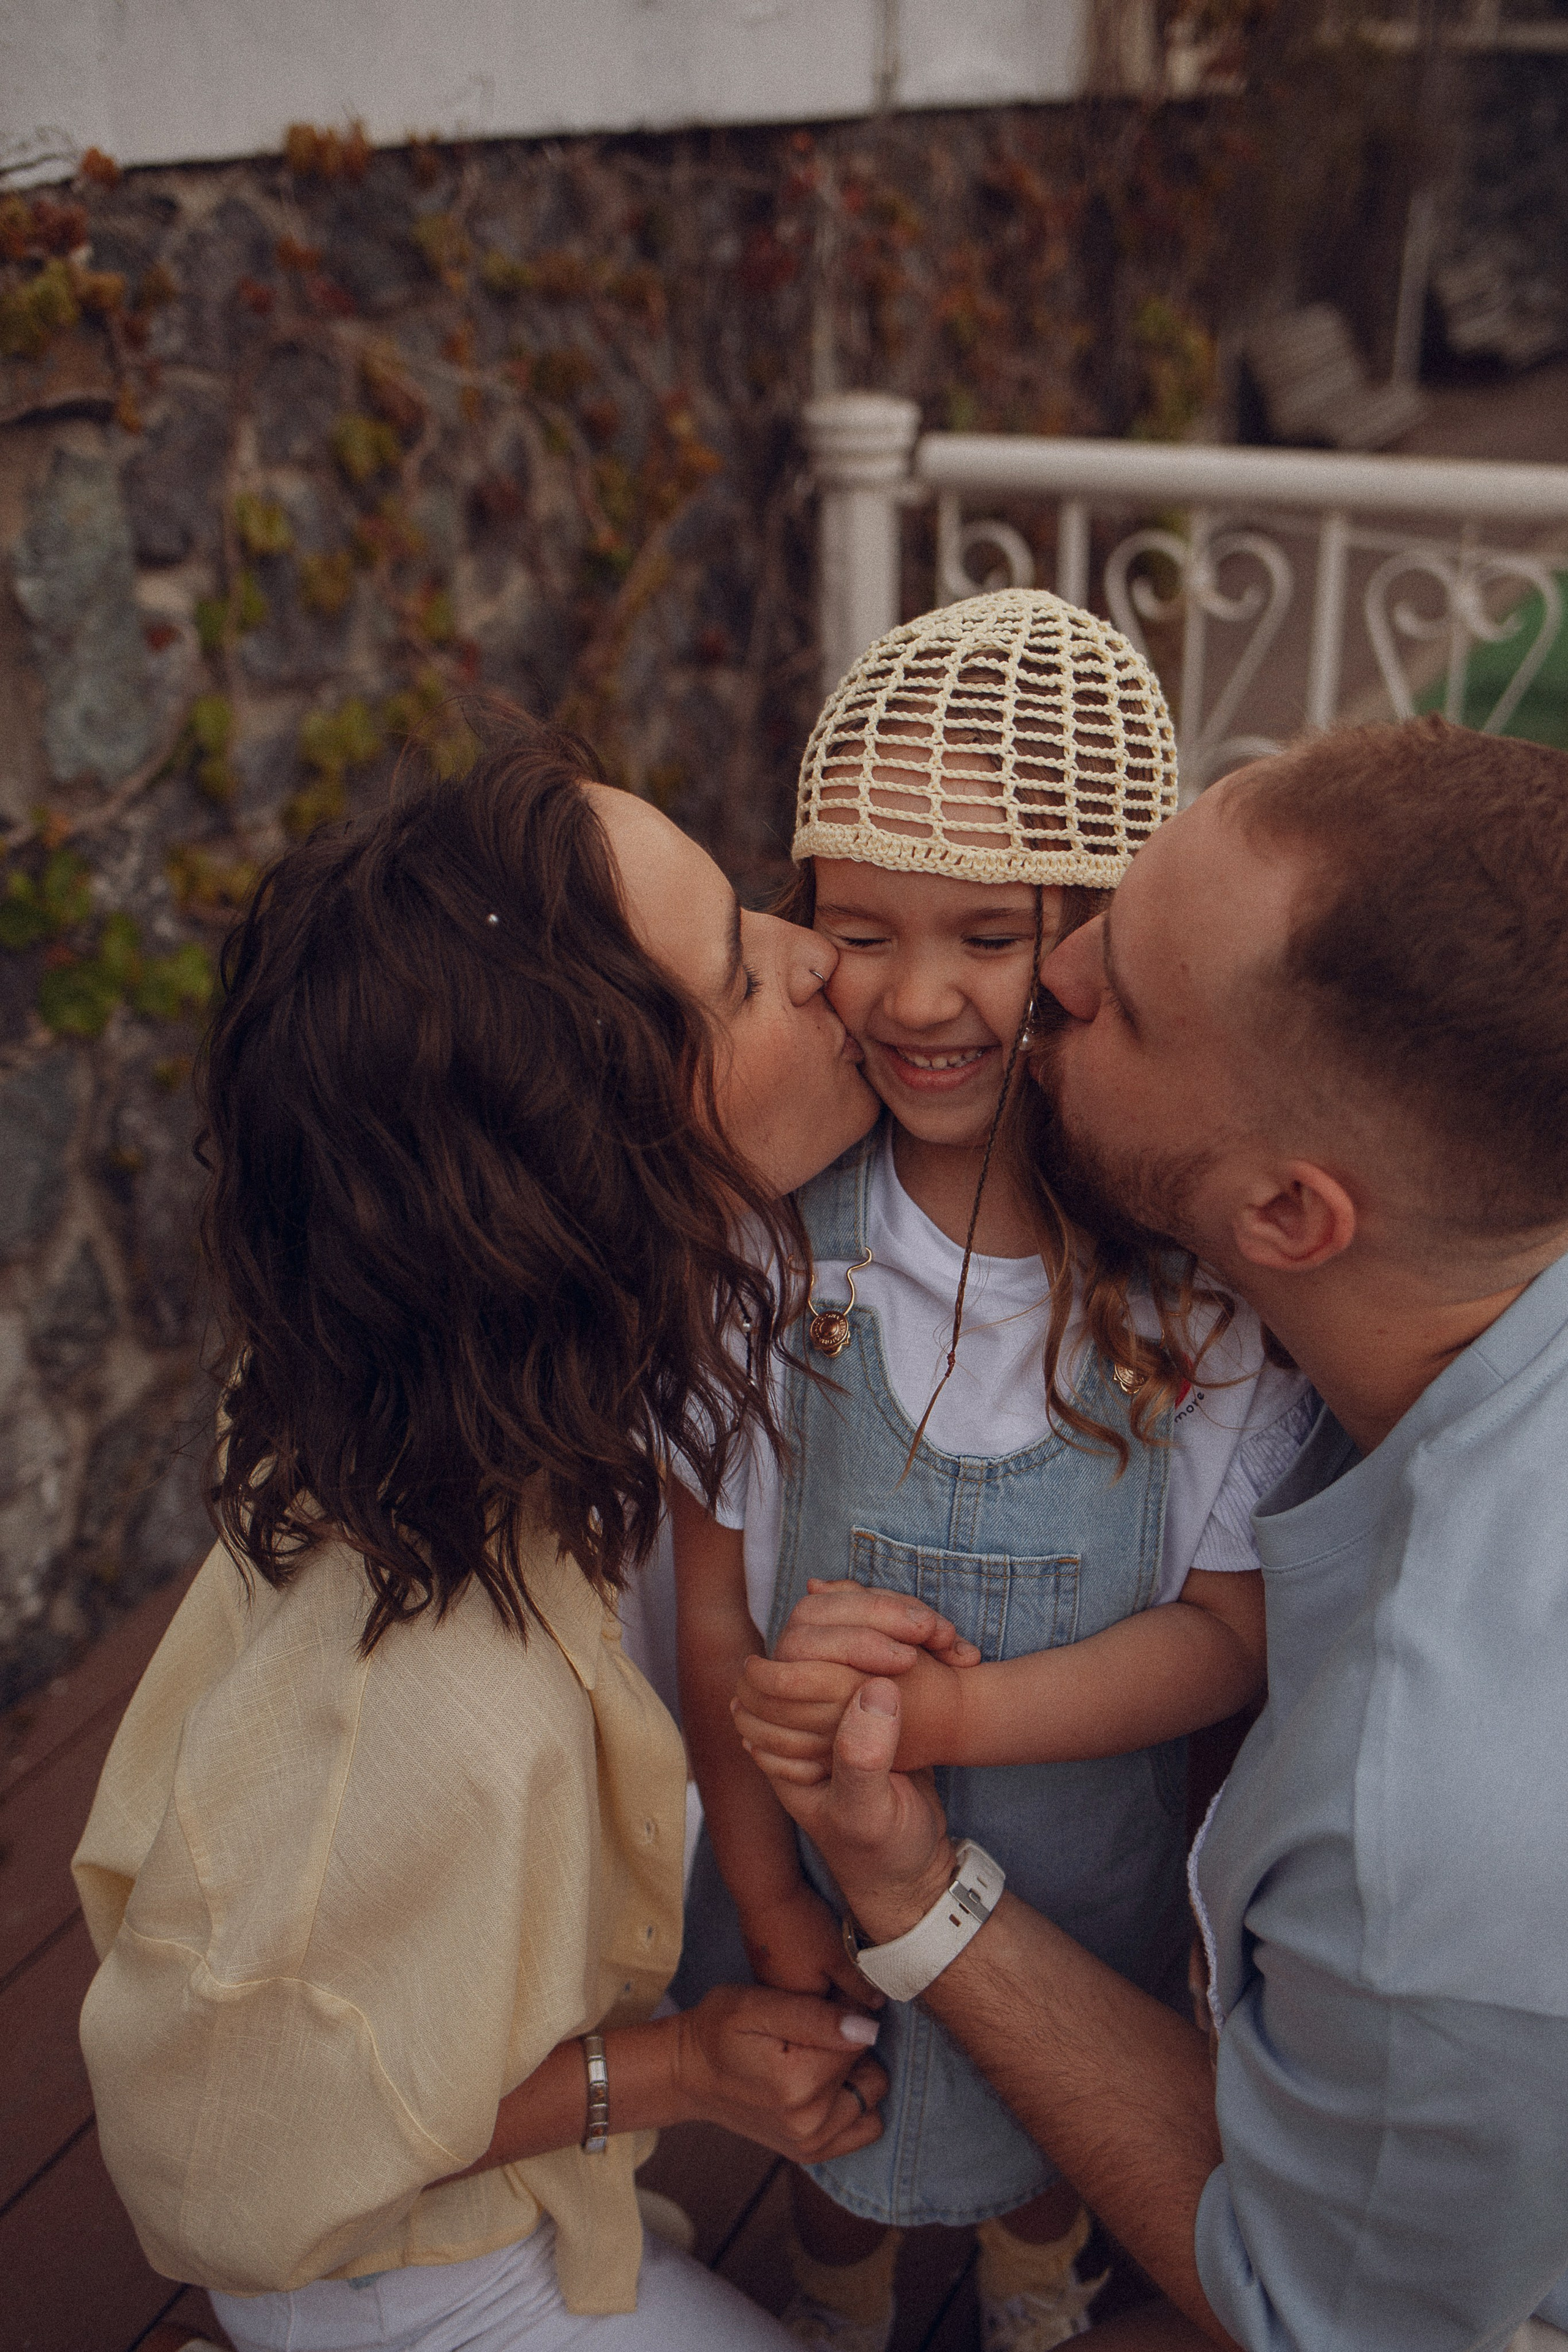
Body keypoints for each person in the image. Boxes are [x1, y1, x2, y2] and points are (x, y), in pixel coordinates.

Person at [736, 715, 1568, 2351]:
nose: (1050, 976)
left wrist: (911, 1885)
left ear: (1285, 1218)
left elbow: (1319, 2307)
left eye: (1109, 993)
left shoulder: (1429, 1839)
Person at [70, 715, 891, 2352]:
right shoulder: (419, 1706)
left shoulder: (507, 1383)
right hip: (418, 2286)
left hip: (552, 2197)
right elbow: (218, 2160)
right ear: (604, 1176)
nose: (821, 964)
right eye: (741, 975)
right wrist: (677, 2067)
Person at [671, 592, 1312, 2352]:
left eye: (990, 935)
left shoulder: (1188, 1289)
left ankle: (1034, 2292)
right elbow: (717, 1609)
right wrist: (775, 1888)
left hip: (1074, 1881)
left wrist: (945, 1731)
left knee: (1056, 2129)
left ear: (1100, 945)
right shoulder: (784, 1248)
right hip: (793, 1847)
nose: (919, 996)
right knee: (834, 2121)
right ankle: (837, 2299)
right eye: (859, 929)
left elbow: (1226, 1633)